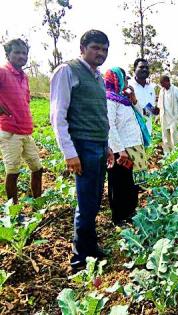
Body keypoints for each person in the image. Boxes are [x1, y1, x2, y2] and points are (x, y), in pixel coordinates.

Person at [50, 30, 114, 272]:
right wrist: (69, 153)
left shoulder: (98, 77)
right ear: (83, 47)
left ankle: (90, 247)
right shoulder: (67, 71)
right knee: (85, 203)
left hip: (98, 145)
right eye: (96, 47)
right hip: (83, 146)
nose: (101, 53)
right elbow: (58, 116)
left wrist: (107, 145)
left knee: (95, 200)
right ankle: (79, 258)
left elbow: (99, 115)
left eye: (105, 49)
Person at [0, 39, 43, 204]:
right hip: (10, 132)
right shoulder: (2, 71)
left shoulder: (24, 77)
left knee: (37, 168)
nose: (21, 56)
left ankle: (38, 204)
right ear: (8, 54)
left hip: (26, 131)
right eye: (17, 52)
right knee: (13, 172)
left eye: (24, 53)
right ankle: (14, 211)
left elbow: (25, 101)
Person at [105, 67, 147, 225]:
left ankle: (130, 212)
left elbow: (142, 115)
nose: (127, 83)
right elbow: (110, 125)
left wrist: (134, 99)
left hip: (134, 146)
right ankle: (118, 217)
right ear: (117, 79)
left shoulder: (124, 98)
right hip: (121, 149)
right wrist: (119, 150)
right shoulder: (109, 99)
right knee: (119, 183)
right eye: (125, 79)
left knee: (132, 182)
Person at [130, 58, 159, 136]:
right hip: (132, 132)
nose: (145, 69)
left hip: (147, 131)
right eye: (141, 67)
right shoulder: (129, 86)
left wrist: (154, 110)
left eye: (147, 68)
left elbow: (149, 107)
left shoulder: (151, 88)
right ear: (134, 69)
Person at [157, 75, 178, 155]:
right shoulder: (162, 91)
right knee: (165, 136)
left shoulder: (176, 90)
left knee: (174, 135)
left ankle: (175, 153)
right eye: (161, 84)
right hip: (164, 117)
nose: (162, 86)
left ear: (168, 82)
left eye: (163, 83)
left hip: (173, 117)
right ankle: (167, 154)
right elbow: (159, 104)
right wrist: (157, 117)